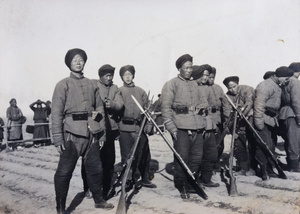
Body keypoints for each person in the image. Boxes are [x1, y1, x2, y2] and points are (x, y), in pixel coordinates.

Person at [51, 48, 113, 213]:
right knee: (64, 172)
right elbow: (56, 114)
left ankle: (99, 200)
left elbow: (99, 111)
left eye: (81, 59)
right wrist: (58, 139)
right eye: (75, 60)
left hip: (91, 135)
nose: (78, 62)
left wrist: (101, 134)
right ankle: (60, 207)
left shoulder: (92, 84)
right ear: (69, 63)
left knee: (96, 169)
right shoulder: (62, 85)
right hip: (71, 136)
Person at [161, 54, 207, 199]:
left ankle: (191, 183)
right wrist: (172, 128)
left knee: (196, 159)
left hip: (198, 128)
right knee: (182, 159)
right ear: (179, 68)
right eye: (186, 68)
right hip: (180, 128)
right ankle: (182, 186)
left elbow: (204, 103)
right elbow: (166, 108)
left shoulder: (196, 84)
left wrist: (203, 120)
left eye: (190, 67)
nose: (189, 70)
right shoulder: (171, 84)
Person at [82, 64, 124, 199]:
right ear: (101, 76)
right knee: (90, 161)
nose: (109, 78)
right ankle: (88, 188)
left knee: (109, 160)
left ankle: (106, 188)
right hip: (95, 129)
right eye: (106, 75)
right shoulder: (92, 84)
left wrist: (112, 104)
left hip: (110, 129)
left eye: (111, 75)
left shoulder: (115, 88)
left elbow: (120, 105)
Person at [118, 64, 157, 189]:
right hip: (125, 128)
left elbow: (148, 108)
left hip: (140, 128)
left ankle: (145, 178)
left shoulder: (140, 91)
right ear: (122, 77)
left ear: (133, 75)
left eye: (130, 74)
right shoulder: (119, 91)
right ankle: (128, 180)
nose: (128, 77)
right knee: (127, 156)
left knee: (144, 154)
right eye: (125, 75)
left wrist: (149, 123)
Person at [253, 67, 294, 180]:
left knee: (270, 145)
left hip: (271, 120)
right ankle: (264, 171)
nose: (286, 81)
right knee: (263, 145)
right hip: (262, 119)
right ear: (278, 76)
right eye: (285, 79)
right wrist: (259, 123)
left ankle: (269, 169)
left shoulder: (276, 86)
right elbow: (259, 105)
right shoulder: (266, 86)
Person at [191, 64, 220, 187]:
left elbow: (215, 103)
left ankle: (206, 179)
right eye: (203, 74)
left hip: (209, 125)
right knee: (197, 155)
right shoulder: (191, 87)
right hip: (197, 125)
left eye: (207, 75)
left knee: (212, 153)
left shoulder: (209, 88)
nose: (205, 77)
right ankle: (194, 180)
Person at [222, 76, 256, 176]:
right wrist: (232, 124)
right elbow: (227, 112)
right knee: (239, 145)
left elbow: (249, 103)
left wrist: (242, 113)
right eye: (229, 88)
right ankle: (243, 167)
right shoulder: (226, 97)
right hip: (237, 123)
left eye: (234, 86)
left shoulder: (247, 89)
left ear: (238, 84)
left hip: (250, 120)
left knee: (253, 144)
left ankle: (254, 167)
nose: (232, 89)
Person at [278, 65, 300, 172]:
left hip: (284, 114)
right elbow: (296, 101)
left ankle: (292, 164)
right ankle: (294, 167)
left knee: (289, 140)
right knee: (294, 141)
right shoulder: (294, 82)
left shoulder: (284, 82)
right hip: (293, 114)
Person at [207, 66, 225, 159]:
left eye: (212, 77)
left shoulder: (218, 88)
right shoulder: (203, 88)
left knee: (220, 142)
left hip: (218, 118)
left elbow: (224, 103)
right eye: (209, 77)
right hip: (208, 118)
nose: (211, 79)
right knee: (210, 143)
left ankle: (217, 162)